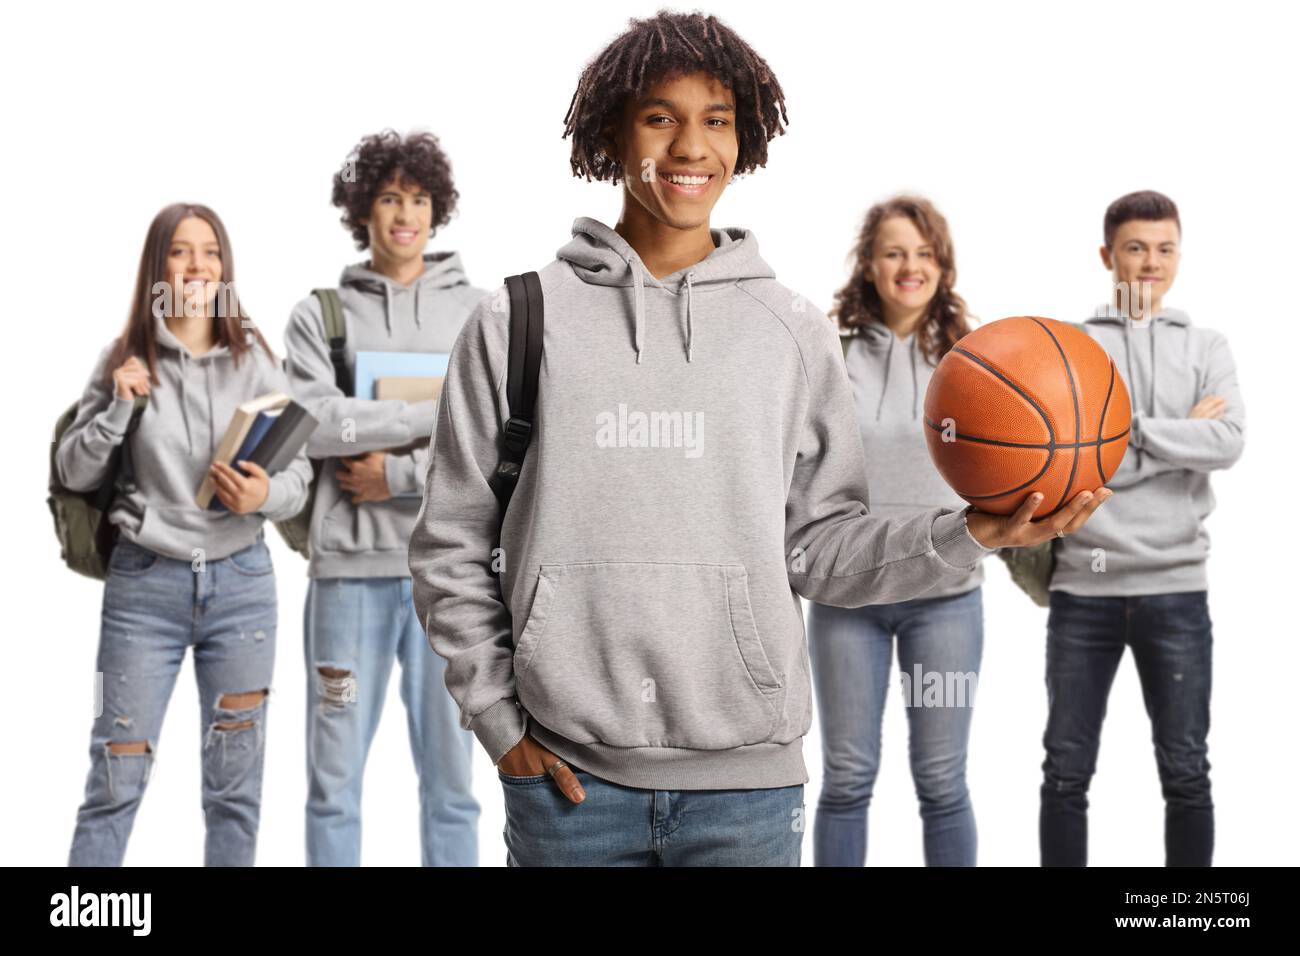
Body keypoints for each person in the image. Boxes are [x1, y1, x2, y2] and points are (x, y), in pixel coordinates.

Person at [409, 8, 1110, 867]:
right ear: (611, 132)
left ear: (744, 140)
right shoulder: (517, 320)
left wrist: (971, 533)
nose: (690, 147)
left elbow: (820, 547)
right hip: (566, 782)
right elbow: (450, 541)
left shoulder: (791, 331)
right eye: (659, 117)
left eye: (716, 120)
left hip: (747, 793)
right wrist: (498, 722)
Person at [62, 203, 312, 866]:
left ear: (225, 267)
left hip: (243, 590)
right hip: (145, 591)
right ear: (158, 266)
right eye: (180, 251)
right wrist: (119, 407)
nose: (198, 265)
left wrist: (264, 495)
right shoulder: (123, 360)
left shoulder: (254, 358)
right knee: (114, 781)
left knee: (234, 793)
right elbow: (76, 467)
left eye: (210, 252)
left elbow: (300, 479)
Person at [282, 130, 485, 867]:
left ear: (439, 211)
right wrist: (432, 416)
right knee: (333, 784)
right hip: (347, 582)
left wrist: (396, 472)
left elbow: (498, 444)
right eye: (390, 197)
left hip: (452, 581)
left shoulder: (481, 314)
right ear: (361, 210)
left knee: (454, 785)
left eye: (420, 198)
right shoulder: (321, 315)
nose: (406, 214)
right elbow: (309, 423)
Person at [1040, 189, 1246, 867]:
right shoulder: (1075, 345)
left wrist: (1123, 436)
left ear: (1178, 255)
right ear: (1108, 255)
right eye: (1135, 247)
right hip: (1083, 591)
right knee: (1066, 772)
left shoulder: (1206, 344)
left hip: (1177, 589)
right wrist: (1181, 433)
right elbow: (1067, 461)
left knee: (1186, 771)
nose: (1150, 262)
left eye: (1164, 248)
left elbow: (1229, 441)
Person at [810, 195, 986, 866]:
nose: (909, 266)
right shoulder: (830, 351)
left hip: (945, 598)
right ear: (870, 265)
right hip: (846, 600)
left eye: (922, 252)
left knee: (943, 782)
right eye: (893, 252)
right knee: (848, 780)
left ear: (942, 264)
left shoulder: (977, 359)